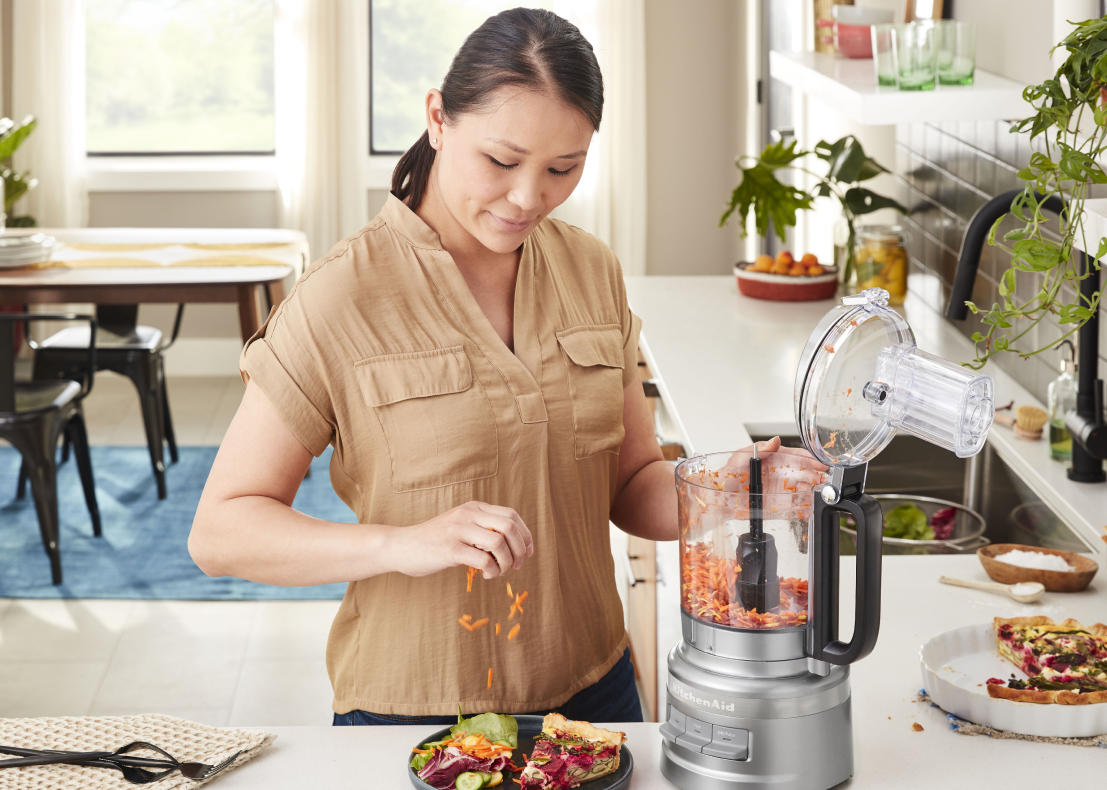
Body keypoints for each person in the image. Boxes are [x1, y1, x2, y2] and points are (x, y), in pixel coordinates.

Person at [188, 7, 822, 725]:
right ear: (437, 117)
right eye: (501, 161)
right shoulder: (343, 295)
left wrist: (727, 487)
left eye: (563, 168)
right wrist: (402, 543)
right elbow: (221, 530)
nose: (529, 198)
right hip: (417, 713)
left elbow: (630, 486)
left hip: (597, 694)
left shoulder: (591, 271)